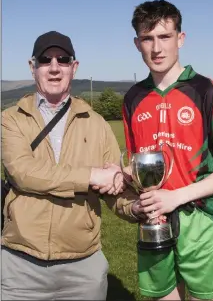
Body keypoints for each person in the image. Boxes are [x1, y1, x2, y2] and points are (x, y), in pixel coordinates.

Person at [1, 30, 138, 300]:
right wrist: (91, 175)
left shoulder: (96, 123)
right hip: (20, 267)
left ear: (73, 68)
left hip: (83, 269)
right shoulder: (11, 119)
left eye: (63, 60)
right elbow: (25, 172)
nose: (54, 68)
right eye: (45, 60)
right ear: (33, 67)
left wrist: (136, 207)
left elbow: (114, 188)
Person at [121, 0, 213, 300]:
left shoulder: (207, 91)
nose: (156, 48)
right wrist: (120, 174)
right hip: (153, 221)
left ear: (180, 38)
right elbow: (136, 166)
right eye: (147, 38)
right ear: (137, 43)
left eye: (165, 37)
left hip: (202, 219)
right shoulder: (132, 98)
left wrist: (176, 196)